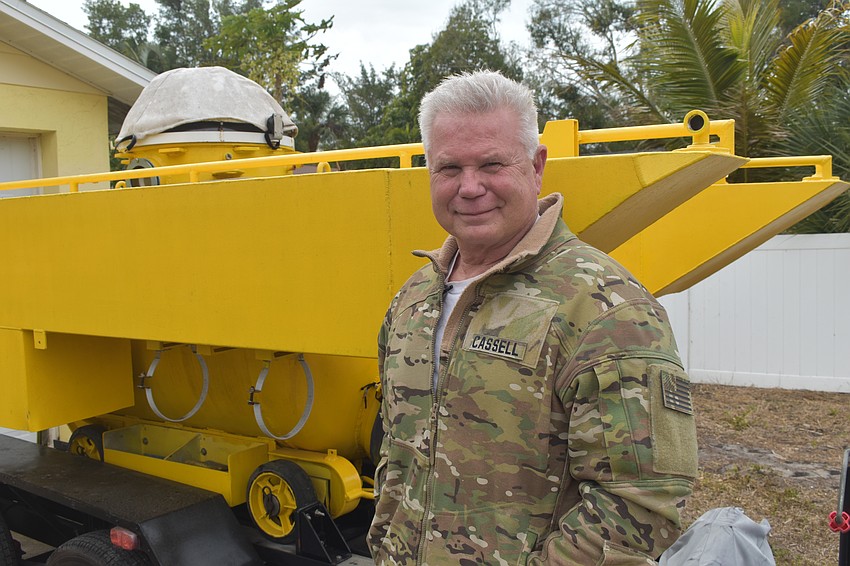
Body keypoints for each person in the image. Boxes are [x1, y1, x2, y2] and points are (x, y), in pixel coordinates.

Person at [368, 70, 698, 565]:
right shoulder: (414, 299)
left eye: (492, 164)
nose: (470, 187)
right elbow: (397, 451)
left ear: (536, 166)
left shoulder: (605, 307)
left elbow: (640, 507)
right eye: (449, 168)